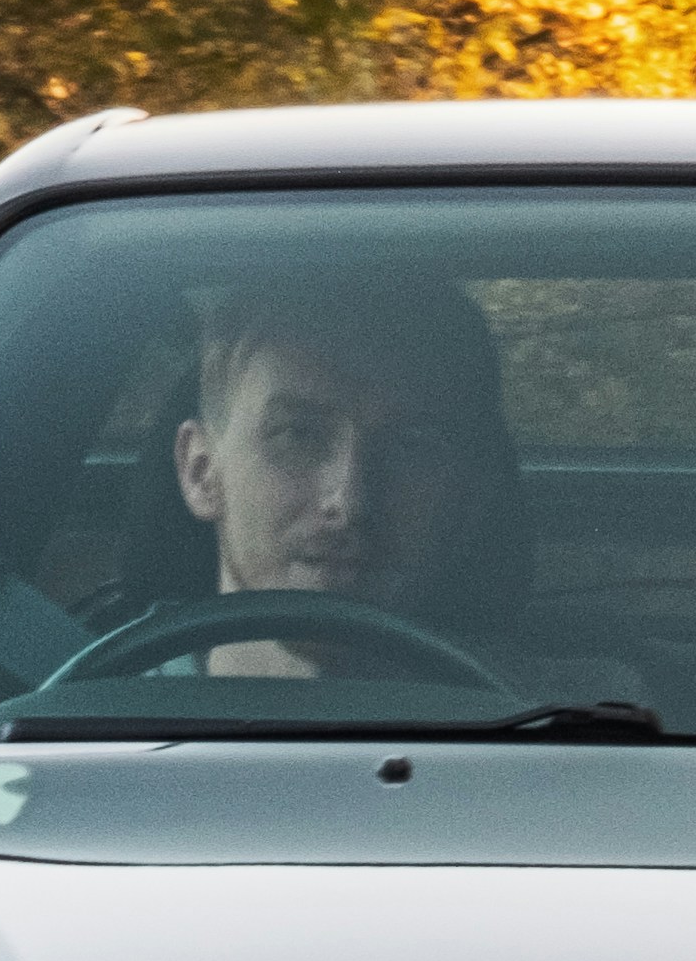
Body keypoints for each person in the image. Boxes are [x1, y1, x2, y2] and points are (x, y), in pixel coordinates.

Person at [170, 274, 539, 678]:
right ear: (201, 473)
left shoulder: (564, 711)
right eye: (298, 435)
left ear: (472, 494)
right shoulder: (112, 706)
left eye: (410, 445)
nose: (349, 501)